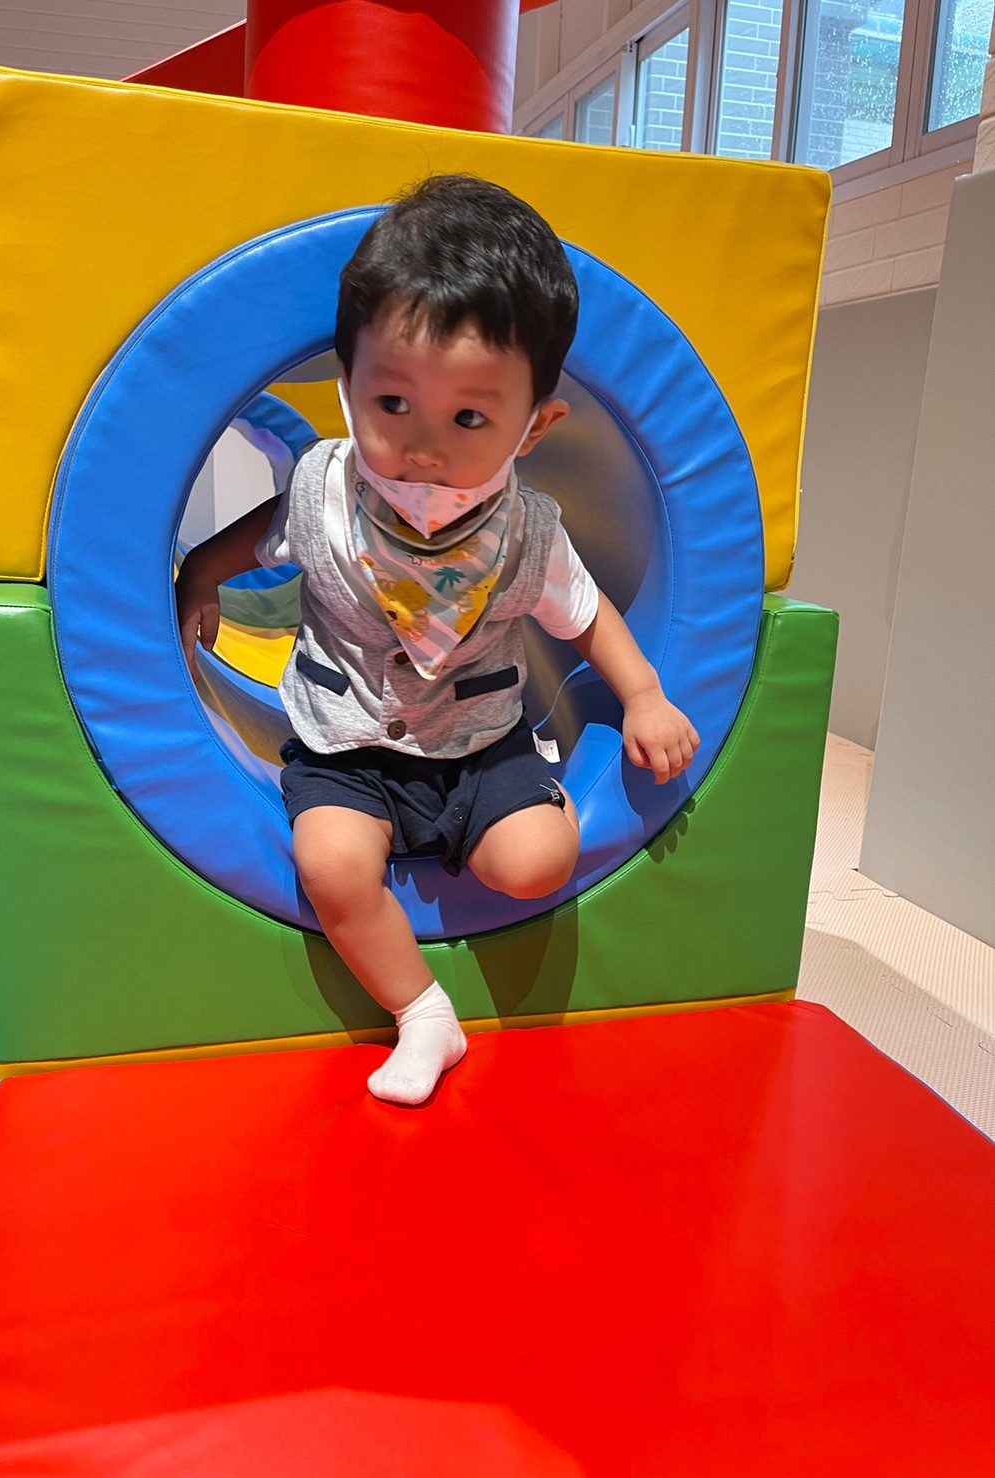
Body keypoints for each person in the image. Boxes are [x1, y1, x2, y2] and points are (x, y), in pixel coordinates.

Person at [175, 175, 699, 1106]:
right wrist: (197, 579)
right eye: (392, 404)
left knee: (536, 861)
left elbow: (587, 615)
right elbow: (252, 540)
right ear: (346, 388)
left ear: (534, 426)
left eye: (468, 418)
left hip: (480, 747)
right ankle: (423, 1013)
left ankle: (518, 813)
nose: (423, 447)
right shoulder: (323, 490)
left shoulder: (527, 534)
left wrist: (645, 694)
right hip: (344, 749)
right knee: (331, 864)